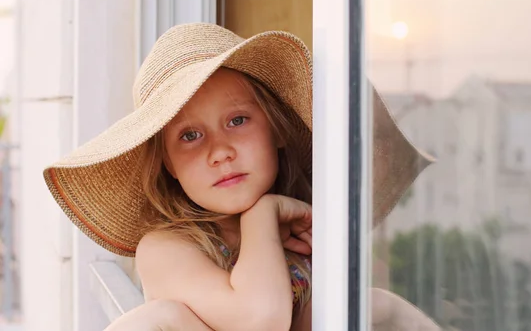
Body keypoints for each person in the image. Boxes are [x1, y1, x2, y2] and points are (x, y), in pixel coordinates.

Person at [43, 23, 435, 330]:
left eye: (238, 120)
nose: (220, 151)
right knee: (158, 319)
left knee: (379, 306)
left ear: (277, 131)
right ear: (168, 164)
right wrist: (262, 216)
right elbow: (259, 322)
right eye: (190, 136)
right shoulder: (165, 249)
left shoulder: (299, 240)